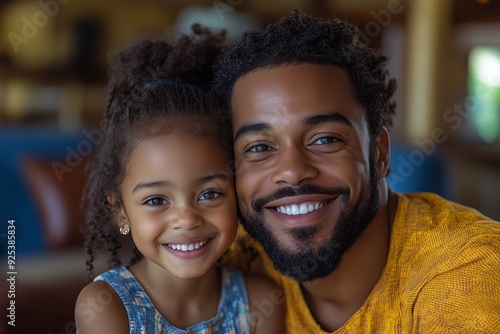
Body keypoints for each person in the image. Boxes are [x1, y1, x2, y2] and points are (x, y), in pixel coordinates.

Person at [212, 10, 500, 333]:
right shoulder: (228, 254)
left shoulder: (469, 272)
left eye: (325, 139)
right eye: (259, 148)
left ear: (379, 154)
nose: (292, 172)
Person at [74, 26, 284, 334]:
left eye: (209, 194)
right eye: (157, 200)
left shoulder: (261, 303)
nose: (186, 219)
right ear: (120, 210)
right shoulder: (105, 307)